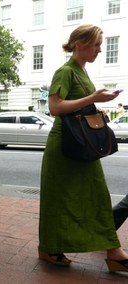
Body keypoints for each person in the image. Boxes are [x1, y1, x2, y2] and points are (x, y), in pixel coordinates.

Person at [38, 24, 128, 272]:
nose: (100, 49)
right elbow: (55, 108)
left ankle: (113, 251)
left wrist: (99, 102)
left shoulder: (82, 71)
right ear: (79, 43)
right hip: (66, 145)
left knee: (95, 195)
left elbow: (77, 106)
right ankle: (49, 248)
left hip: (81, 144)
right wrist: (91, 99)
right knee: (59, 198)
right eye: (97, 44)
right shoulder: (65, 71)